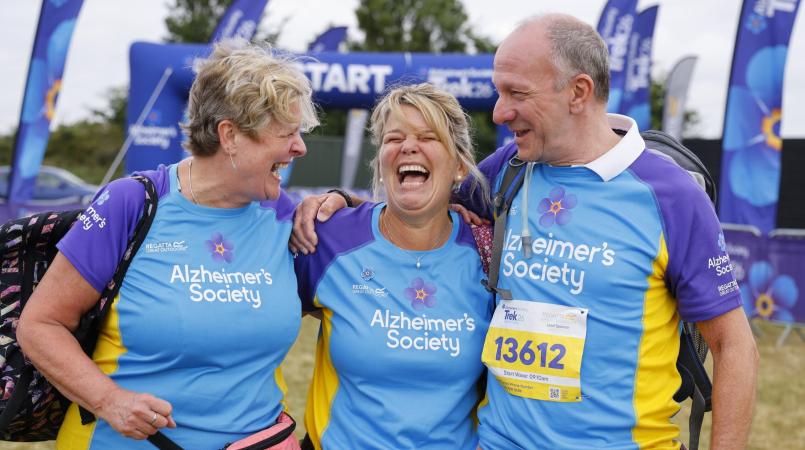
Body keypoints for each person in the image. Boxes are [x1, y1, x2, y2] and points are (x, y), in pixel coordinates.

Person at [292, 14, 759, 450]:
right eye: (498, 93)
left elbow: (733, 346)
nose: (498, 112)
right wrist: (348, 203)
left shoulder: (670, 196)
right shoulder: (508, 172)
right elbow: (421, 205)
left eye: (517, 94)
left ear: (578, 91)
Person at [17, 40, 318, 449]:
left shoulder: (283, 215)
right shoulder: (133, 203)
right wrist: (109, 401)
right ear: (230, 135)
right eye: (287, 133)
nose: (300, 147)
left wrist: (345, 199)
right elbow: (40, 325)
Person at [293, 83, 493, 450]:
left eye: (427, 137)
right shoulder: (329, 238)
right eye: (393, 137)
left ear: (460, 166)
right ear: (381, 160)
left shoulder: (488, 253)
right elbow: (254, 320)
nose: (408, 146)